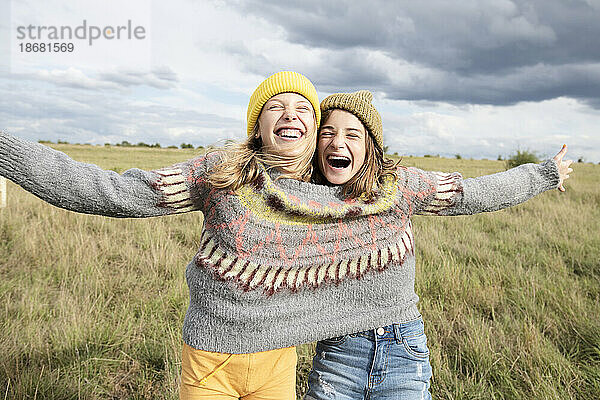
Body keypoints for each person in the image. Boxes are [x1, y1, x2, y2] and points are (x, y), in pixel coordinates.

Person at [303, 90, 573, 400]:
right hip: (338, 357)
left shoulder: (398, 187)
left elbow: (473, 194)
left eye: (352, 134)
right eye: (328, 132)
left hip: (401, 351)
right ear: (316, 143)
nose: (338, 142)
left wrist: (543, 174)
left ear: (369, 148)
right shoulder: (304, 198)